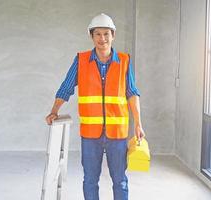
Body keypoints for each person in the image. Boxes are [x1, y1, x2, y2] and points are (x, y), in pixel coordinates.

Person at [45, 13, 145, 200]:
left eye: (106, 33)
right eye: (97, 34)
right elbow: (67, 86)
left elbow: (132, 93)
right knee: (90, 180)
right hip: (91, 135)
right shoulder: (81, 60)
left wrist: (138, 123)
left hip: (117, 134)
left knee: (120, 180)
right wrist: (54, 110)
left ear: (113, 35)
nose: (102, 38)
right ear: (91, 36)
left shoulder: (124, 61)